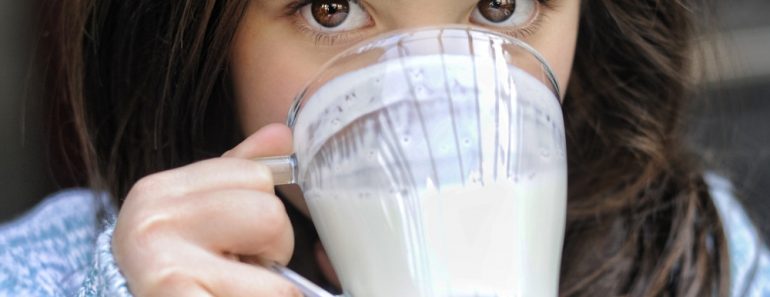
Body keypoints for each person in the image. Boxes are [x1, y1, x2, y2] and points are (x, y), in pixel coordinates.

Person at [1, 0, 768, 296]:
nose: (427, 113)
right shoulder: (43, 273)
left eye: (500, 6)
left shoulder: (699, 256)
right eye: (334, 10)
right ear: (207, 36)